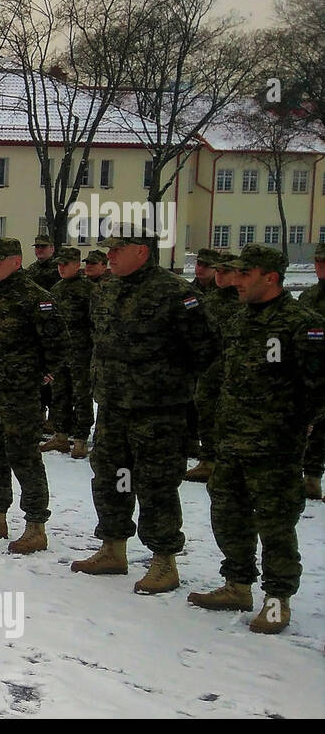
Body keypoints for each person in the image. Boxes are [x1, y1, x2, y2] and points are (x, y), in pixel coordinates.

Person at [187, 244, 324, 633]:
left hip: (274, 445)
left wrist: (298, 425)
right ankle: (237, 584)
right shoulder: (239, 319)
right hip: (231, 438)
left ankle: (277, 599)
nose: (236, 280)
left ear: (270, 277)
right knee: (227, 511)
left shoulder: (301, 324)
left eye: (245, 274)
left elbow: (318, 386)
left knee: (276, 522)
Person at [70, 232, 217, 593]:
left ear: (142, 251)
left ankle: (163, 560)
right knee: (112, 475)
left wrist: (168, 380)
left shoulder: (173, 292)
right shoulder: (105, 289)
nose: (111, 257)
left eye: (117, 251)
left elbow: (205, 348)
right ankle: (113, 547)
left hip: (157, 409)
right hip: (112, 404)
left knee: (155, 483)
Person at [0, 238, 69, 553]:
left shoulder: (37, 298)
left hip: (20, 393)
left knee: (24, 457)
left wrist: (42, 374)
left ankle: (35, 525)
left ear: (16, 262)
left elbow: (59, 345)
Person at [184, 249, 242, 482]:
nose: (219, 275)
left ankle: (230, 460)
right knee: (205, 410)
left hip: (236, 368)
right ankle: (208, 459)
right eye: (217, 270)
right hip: (209, 368)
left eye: (224, 271)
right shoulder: (206, 300)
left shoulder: (243, 300)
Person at [43, 246, 95, 459]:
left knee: (82, 395)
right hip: (61, 353)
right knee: (60, 394)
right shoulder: (56, 289)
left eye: (66, 264)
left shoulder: (89, 290)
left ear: (77, 264)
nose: (61, 268)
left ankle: (81, 438)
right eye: (59, 264)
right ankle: (61, 435)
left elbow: (95, 323)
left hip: (81, 352)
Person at [298, 241, 325, 500]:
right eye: (317, 262)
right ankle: (311, 477)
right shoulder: (309, 297)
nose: (320, 267)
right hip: (315, 368)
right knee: (315, 428)